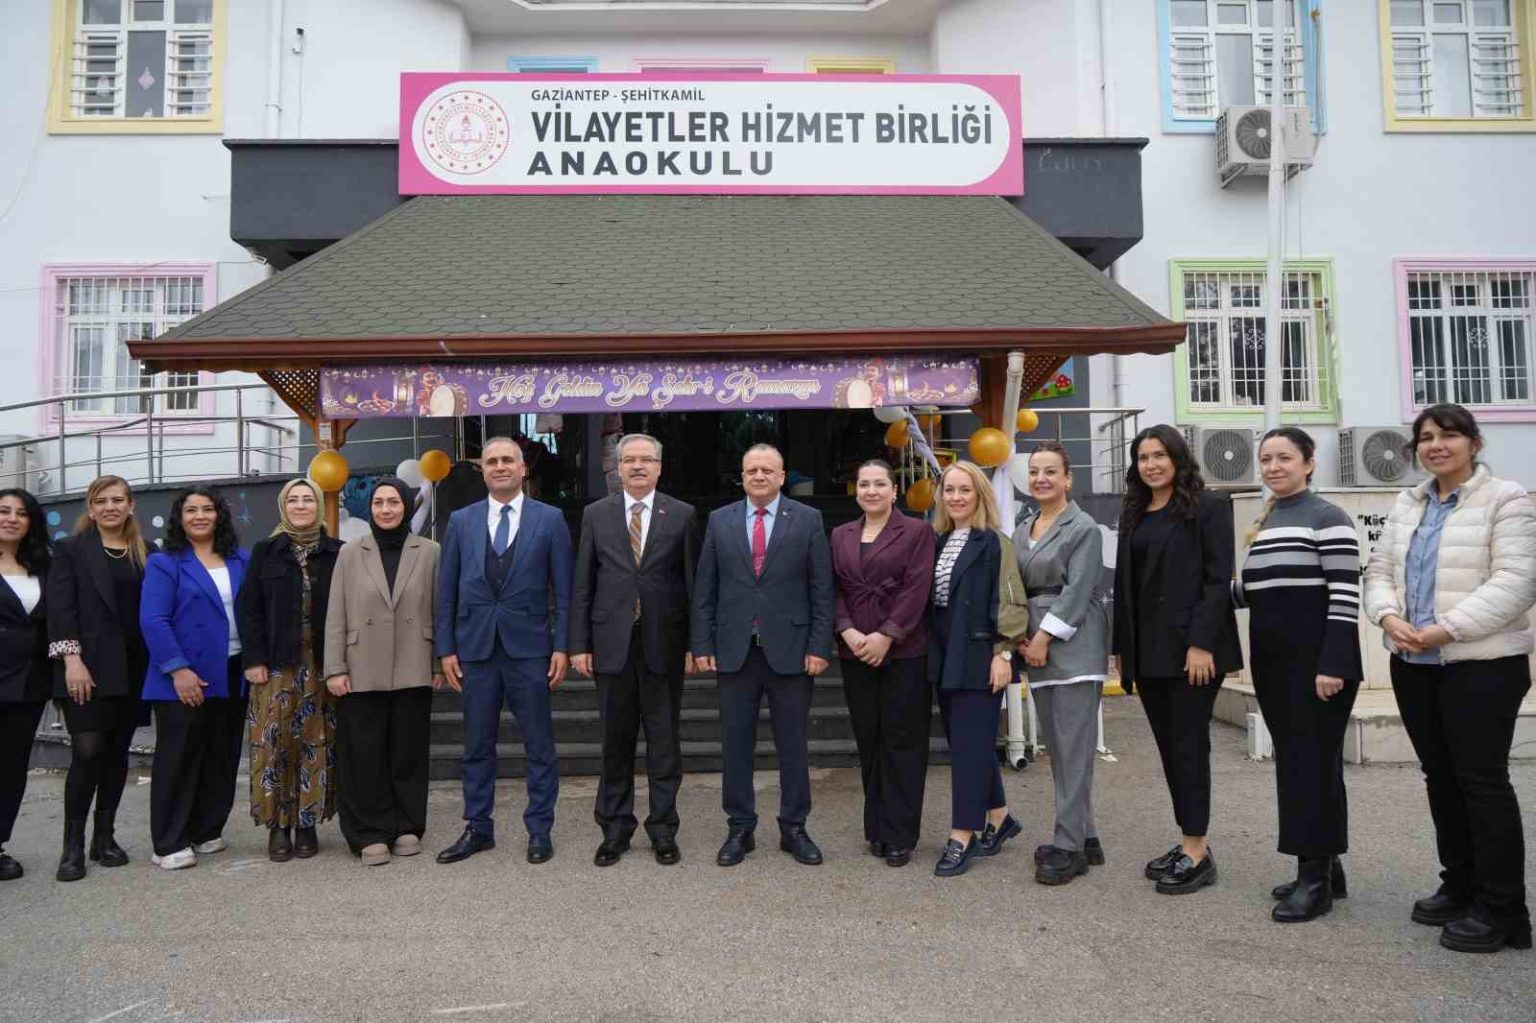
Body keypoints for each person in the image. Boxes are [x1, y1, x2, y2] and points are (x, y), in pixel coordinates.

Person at [1364, 403, 1535, 954]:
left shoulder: (1506, 498)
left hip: (1481, 666)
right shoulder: (1408, 503)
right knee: (1440, 777)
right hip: (1414, 664)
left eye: (1449, 435)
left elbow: (1517, 581)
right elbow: (1379, 571)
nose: (1436, 445)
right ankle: (1459, 885)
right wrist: (1388, 617)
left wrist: (1446, 630)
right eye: (1426, 437)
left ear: (1474, 443)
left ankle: (1502, 909)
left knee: (1481, 781)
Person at [1233, 428, 1362, 922]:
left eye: (1284, 458)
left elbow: (1345, 594)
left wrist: (1334, 663)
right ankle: (1328, 867)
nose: (1273, 467)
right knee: (1308, 764)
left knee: (1308, 767)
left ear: (1309, 463)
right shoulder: (1269, 519)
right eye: (1266, 459)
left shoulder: (1328, 517)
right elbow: (1257, 590)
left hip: (1317, 667)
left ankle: (1314, 882)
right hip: (1275, 665)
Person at [1112, 424, 1242, 895]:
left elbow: (1217, 579)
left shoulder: (1208, 507)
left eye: (1159, 455)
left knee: (1188, 750)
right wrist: (1121, 650)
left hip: (1192, 654)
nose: (1151, 465)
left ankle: (1196, 851)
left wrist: (1201, 643)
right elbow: (1125, 586)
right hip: (1148, 653)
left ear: (1178, 458)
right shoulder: (1134, 511)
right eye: (1143, 457)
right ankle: (1189, 838)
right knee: (1170, 751)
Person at [692, 443, 834, 868]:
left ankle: (794, 827)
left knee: (793, 745)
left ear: (782, 476)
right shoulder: (720, 520)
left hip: (792, 651)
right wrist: (702, 645)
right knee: (736, 745)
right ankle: (740, 827)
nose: (758, 476)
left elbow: (822, 589)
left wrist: (819, 646)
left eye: (767, 470)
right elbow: (705, 588)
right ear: (742, 476)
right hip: (734, 651)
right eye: (751, 470)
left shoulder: (807, 519)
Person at [436, 438, 572, 866]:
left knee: (539, 745)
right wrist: (446, 648)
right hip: (475, 649)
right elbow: (446, 591)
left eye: (507, 460)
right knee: (477, 745)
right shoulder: (461, 521)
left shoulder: (550, 519)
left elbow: (564, 591)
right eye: (492, 461)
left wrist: (563, 646)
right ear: (483, 470)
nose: (500, 467)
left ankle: (540, 829)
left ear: (523, 468)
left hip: (530, 649)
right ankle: (478, 828)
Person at [570, 433, 697, 867]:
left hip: (664, 643)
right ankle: (614, 829)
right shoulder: (596, 514)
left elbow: (692, 584)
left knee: (664, 744)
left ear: (659, 467)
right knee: (615, 743)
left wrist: (695, 644)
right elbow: (583, 583)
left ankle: (663, 830)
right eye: (630, 460)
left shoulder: (681, 514)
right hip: (611, 645)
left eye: (646, 460)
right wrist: (578, 644)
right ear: (618, 468)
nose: (638, 466)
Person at [324, 477, 442, 867]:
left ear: (407, 506)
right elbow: (336, 613)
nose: (386, 509)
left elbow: (440, 609)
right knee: (364, 752)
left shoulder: (430, 551)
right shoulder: (350, 552)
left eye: (394, 502)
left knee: (409, 751)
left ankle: (407, 824)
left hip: (413, 662)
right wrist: (335, 667)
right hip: (361, 666)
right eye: (378, 502)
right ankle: (369, 831)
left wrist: (439, 661)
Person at [1012, 442, 1110, 886]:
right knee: (1060, 752)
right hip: (1035, 645)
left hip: (1072, 646)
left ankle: (1068, 848)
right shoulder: (1023, 527)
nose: (1041, 478)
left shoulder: (1083, 527)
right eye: (1035, 471)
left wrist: (1044, 637)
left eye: (1051, 471)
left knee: (1074, 752)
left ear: (1068, 479)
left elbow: (1078, 590)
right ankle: (1086, 836)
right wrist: (1020, 634)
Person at [44, 476, 149, 882]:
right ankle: (72, 846)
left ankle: (104, 838)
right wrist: (72, 660)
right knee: (88, 752)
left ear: (130, 505)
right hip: (84, 668)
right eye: (101, 501)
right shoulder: (70, 550)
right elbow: (61, 608)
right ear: (90, 509)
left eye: (117, 500)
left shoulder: (146, 552)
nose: (110, 507)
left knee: (117, 753)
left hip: (132, 668)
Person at [830, 459, 934, 868]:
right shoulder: (840, 534)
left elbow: (917, 588)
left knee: (903, 742)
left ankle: (900, 834)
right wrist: (847, 630)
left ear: (894, 491)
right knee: (869, 739)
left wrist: (886, 635)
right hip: (855, 651)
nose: (871, 491)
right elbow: (834, 588)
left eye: (879, 484)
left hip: (903, 652)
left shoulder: (917, 531)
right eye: (864, 484)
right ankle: (876, 827)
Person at [928, 461, 1029, 879]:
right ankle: (999, 817)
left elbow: (1012, 601)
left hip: (981, 656)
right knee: (969, 743)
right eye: (949, 490)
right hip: (945, 655)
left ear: (980, 495)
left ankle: (962, 834)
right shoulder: (938, 540)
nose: (955, 497)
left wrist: (1004, 652)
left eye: (964, 490)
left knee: (968, 749)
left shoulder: (995, 543)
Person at [140, 486, 249, 871]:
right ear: (180, 518)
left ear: (219, 515)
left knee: (221, 754)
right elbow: (154, 619)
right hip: (182, 675)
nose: (200, 516)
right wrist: (178, 669)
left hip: (232, 672)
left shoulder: (241, 559)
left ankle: (206, 829)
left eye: (207, 509)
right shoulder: (165, 563)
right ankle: (168, 842)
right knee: (179, 757)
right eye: (191, 510)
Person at [239, 479, 343, 863]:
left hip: (322, 666)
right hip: (275, 666)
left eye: (308, 499)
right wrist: (253, 659)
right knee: (274, 743)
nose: (301, 506)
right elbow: (249, 609)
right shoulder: (266, 551)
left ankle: (307, 822)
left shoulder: (337, 552)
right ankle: (278, 826)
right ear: (284, 506)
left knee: (315, 743)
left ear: (319, 506)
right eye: (294, 500)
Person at [0, 490, 50, 881]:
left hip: (29, 683)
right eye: (4, 511)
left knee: (12, 766)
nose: (12, 518)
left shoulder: (43, 564)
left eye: (21, 513)